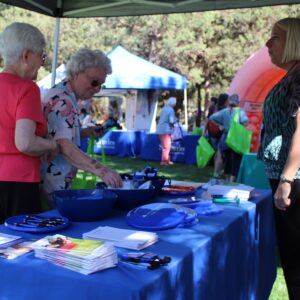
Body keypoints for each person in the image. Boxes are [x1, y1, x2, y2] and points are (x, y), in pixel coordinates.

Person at [42, 48, 122, 205]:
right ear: (77, 72)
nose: (97, 88)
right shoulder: (62, 101)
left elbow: (58, 135)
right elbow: (66, 147)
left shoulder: (63, 95)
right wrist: (103, 171)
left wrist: (85, 132)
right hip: (51, 188)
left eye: (101, 85)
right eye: (94, 82)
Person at [257, 18, 300, 300]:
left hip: (295, 182)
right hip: (288, 179)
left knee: (296, 264)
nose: (268, 43)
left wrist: (286, 178)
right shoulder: (292, 75)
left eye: (276, 37)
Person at [0, 22, 59, 224]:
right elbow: (25, 143)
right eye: (41, 56)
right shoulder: (27, 88)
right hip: (18, 183)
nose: (42, 63)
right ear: (26, 56)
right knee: (20, 247)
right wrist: (53, 144)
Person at [209, 94, 248, 182]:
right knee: (236, 159)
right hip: (236, 139)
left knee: (227, 159)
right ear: (237, 102)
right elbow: (245, 123)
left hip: (225, 138)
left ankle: (226, 177)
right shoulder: (240, 111)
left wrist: (220, 125)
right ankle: (232, 179)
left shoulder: (224, 111)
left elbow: (211, 118)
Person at [156, 97, 177, 166]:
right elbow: (171, 121)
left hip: (160, 129)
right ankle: (164, 161)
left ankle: (167, 160)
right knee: (167, 147)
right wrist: (175, 121)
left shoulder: (164, 108)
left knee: (166, 146)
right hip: (165, 129)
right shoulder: (171, 110)